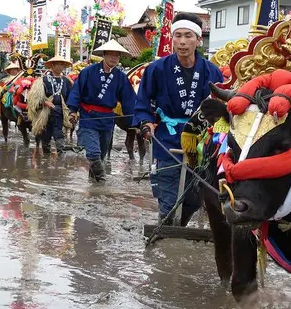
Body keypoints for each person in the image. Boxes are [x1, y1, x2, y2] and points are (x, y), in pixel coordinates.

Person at [134, 12, 224, 225]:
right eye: (178, 36)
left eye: (188, 36)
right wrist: (146, 122)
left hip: (202, 141)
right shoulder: (156, 69)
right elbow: (144, 101)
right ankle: (166, 232)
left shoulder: (212, 72)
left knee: (195, 196)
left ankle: (176, 227)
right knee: (168, 196)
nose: (182, 42)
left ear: (198, 39)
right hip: (168, 138)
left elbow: (221, 107)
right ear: (172, 38)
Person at [67, 39, 136, 182]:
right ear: (104, 55)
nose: (113, 58)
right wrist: (73, 110)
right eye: (110, 55)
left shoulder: (121, 77)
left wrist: (136, 122)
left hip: (107, 119)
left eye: (116, 56)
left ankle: (93, 185)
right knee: (93, 153)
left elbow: (129, 100)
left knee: (101, 155)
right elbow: (76, 92)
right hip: (89, 117)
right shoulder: (88, 72)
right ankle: (103, 183)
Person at [27, 55, 73, 155]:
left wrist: (72, 111)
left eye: (62, 64)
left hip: (60, 112)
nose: (60, 67)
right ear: (52, 65)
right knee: (45, 135)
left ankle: (61, 157)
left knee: (59, 134)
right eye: (58, 64)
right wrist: (45, 102)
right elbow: (34, 99)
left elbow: (71, 97)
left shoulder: (66, 81)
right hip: (46, 113)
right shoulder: (42, 80)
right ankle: (46, 158)